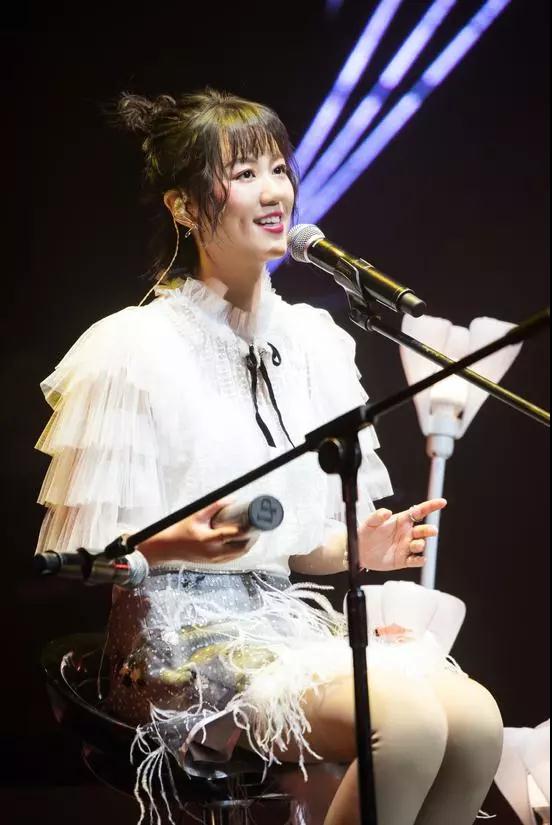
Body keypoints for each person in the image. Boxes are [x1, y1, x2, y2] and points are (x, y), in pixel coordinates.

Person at [35, 88, 503, 825]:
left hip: (282, 627)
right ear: (183, 207)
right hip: (177, 643)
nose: (274, 190)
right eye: (244, 173)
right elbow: (77, 557)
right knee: (407, 725)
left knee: (476, 724)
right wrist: (174, 543)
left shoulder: (315, 341)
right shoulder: (130, 346)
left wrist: (356, 548)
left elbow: (297, 549)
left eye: (279, 169)